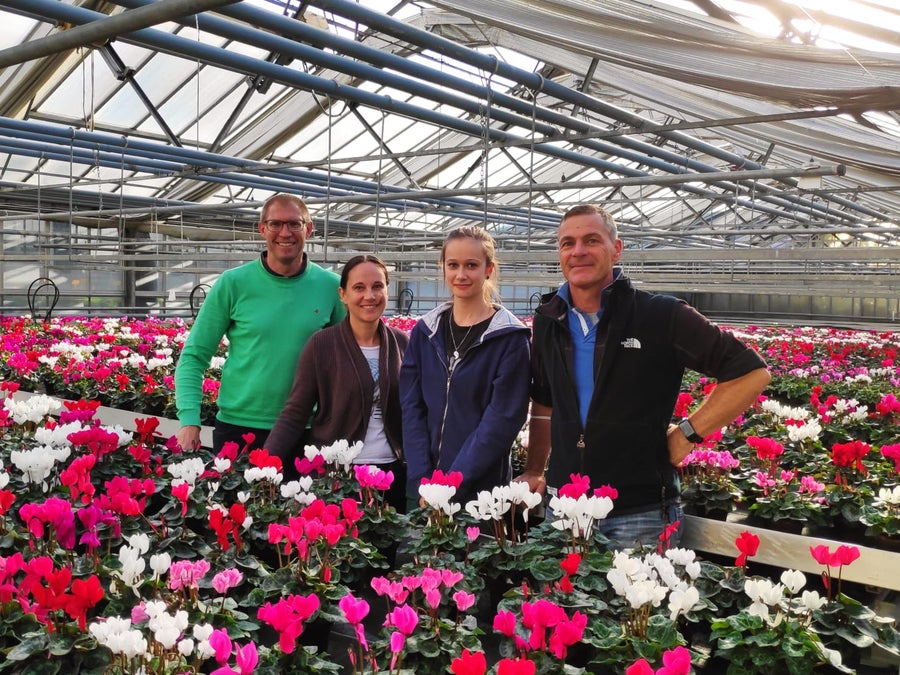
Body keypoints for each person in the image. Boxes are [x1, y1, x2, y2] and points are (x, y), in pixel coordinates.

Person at [517, 204, 770, 549]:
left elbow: (751, 373)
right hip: (565, 506)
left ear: (616, 249)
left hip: (639, 512)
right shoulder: (549, 320)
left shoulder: (660, 315)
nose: (578, 251)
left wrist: (687, 434)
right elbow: (544, 401)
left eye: (591, 240)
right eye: (567, 243)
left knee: (638, 588)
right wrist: (535, 469)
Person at [174, 193, 345, 453]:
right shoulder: (232, 283)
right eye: (275, 224)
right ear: (262, 229)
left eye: (294, 224)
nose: (285, 233)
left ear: (309, 229)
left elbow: (348, 358)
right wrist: (189, 419)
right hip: (239, 427)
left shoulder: (332, 287)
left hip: (307, 429)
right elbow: (194, 355)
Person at [265, 254, 408, 510]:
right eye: (359, 288)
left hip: (390, 474)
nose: (369, 296)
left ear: (388, 289)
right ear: (343, 294)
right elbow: (296, 412)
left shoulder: (402, 343)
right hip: (338, 476)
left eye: (377, 286)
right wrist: (265, 465)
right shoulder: (321, 345)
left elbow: (416, 411)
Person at [400, 226, 531, 506]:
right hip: (424, 491)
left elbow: (501, 421)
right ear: (443, 268)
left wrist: (451, 486)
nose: (461, 274)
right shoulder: (425, 332)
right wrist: (423, 482)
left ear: (488, 269)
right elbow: (412, 408)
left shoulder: (509, 339)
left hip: (480, 495)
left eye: (471, 265)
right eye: (453, 265)